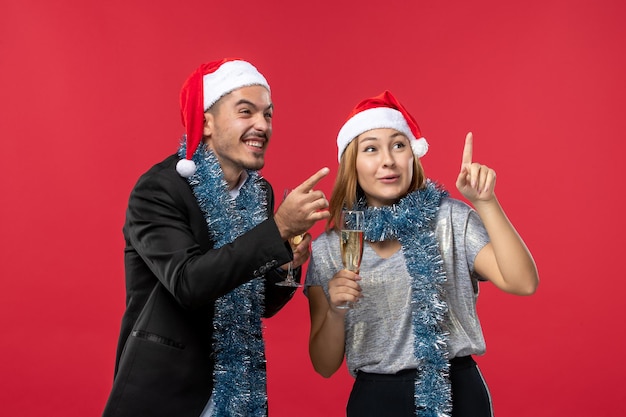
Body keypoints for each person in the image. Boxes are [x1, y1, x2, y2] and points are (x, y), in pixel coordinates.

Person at [102, 58, 330, 417]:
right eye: (246, 111)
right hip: (169, 393)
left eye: (268, 115)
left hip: (243, 391)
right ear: (206, 121)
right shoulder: (159, 189)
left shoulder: (260, 193)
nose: (262, 125)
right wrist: (278, 229)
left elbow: (261, 303)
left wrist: (285, 264)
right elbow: (189, 283)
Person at [305, 90, 539, 417]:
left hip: (457, 393)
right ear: (351, 164)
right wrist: (335, 312)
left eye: (398, 145)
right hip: (376, 401)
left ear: (412, 155)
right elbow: (324, 365)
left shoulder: (451, 219)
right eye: (371, 148)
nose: (388, 160)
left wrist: (486, 202)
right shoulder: (330, 248)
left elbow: (523, 282)